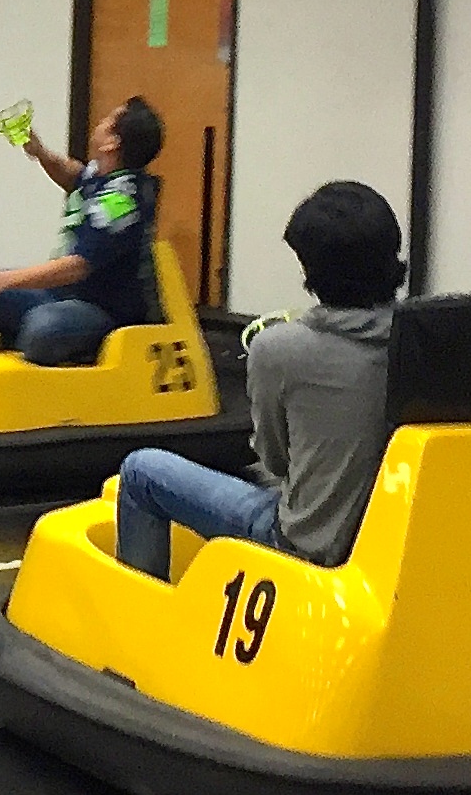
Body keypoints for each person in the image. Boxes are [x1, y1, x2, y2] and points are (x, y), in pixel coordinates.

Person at [112, 181, 402, 582]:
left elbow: (274, 459)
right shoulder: (426, 342)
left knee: (140, 471)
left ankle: (138, 613)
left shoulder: (279, 348)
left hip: (308, 545)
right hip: (390, 548)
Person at [0, 97, 164, 366]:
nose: (100, 122)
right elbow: (73, 176)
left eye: (107, 120)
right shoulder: (102, 173)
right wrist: (40, 152)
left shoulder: (121, 201)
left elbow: (77, 266)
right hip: (59, 295)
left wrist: (5, 280)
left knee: (43, 327)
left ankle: (44, 372)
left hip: (101, 309)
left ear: (112, 143)